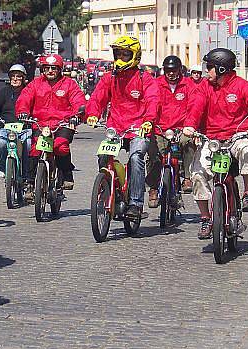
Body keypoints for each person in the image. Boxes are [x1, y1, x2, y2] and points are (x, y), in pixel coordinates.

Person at [183, 48, 248, 239]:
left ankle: (247, 193)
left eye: (210, 67)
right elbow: (195, 106)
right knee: (197, 173)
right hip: (212, 139)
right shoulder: (204, 87)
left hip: (237, 137)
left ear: (222, 69)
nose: (207, 72)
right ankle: (205, 218)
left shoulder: (242, 86)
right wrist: (190, 125)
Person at [86, 36, 159, 219]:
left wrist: (148, 120)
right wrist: (93, 113)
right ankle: (109, 187)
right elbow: (98, 97)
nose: (121, 57)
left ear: (135, 55)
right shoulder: (110, 77)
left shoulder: (145, 78)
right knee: (103, 155)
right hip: (115, 127)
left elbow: (153, 100)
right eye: (118, 53)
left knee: (136, 158)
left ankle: (135, 203)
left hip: (139, 128)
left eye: (126, 54)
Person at [15, 53, 86, 194]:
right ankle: (30, 182)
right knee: (35, 149)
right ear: (43, 69)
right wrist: (23, 111)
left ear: (60, 69)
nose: (50, 71)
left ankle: (66, 174)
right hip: (41, 124)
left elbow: (79, 101)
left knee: (61, 146)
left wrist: (77, 115)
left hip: (63, 124)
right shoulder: (35, 84)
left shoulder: (69, 84)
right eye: (47, 68)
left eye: (54, 68)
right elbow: (24, 99)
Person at [146, 55, 195, 208]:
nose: (171, 73)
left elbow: (194, 106)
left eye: (174, 70)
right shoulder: (156, 84)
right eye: (168, 70)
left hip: (181, 129)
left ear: (179, 70)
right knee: (154, 156)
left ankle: (187, 177)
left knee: (189, 143)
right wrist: (149, 122)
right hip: (160, 129)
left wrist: (190, 126)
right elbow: (150, 104)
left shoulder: (188, 85)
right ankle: (153, 188)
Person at [0, 64, 31, 187]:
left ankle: (27, 174)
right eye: (13, 76)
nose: (15, 79)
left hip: (25, 128)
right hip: (7, 127)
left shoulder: (29, 91)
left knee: (28, 145)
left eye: (18, 76)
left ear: (23, 78)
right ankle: (2, 167)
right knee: (1, 144)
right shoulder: (4, 92)